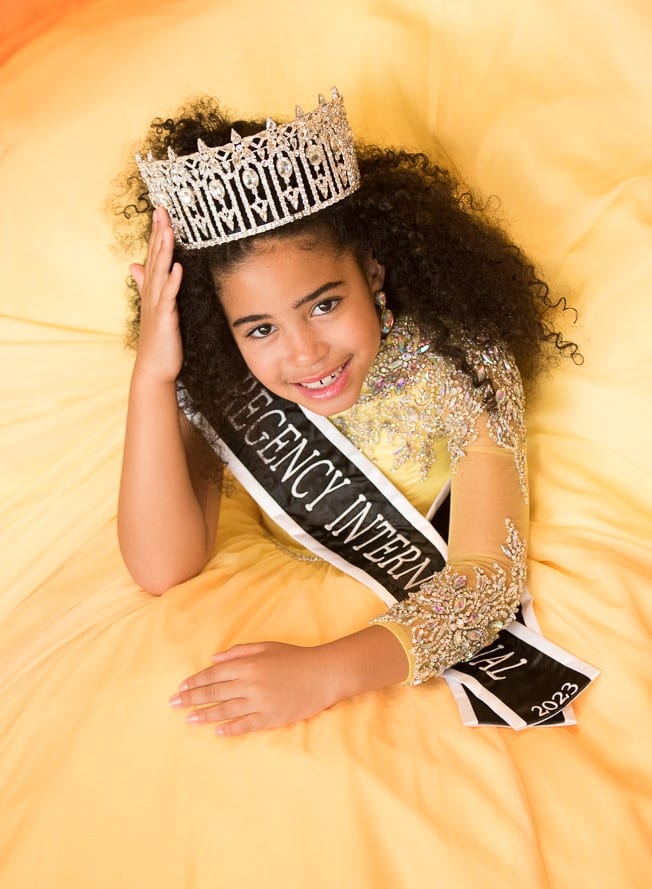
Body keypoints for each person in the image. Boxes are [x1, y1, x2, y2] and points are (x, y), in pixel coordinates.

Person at [117, 87, 591, 737]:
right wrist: (154, 375)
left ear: (371, 273)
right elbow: (162, 565)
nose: (305, 352)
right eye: (259, 329)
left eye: (322, 305)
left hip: (372, 675)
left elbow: (487, 578)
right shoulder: (219, 384)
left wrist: (323, 673)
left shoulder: (464, 361)